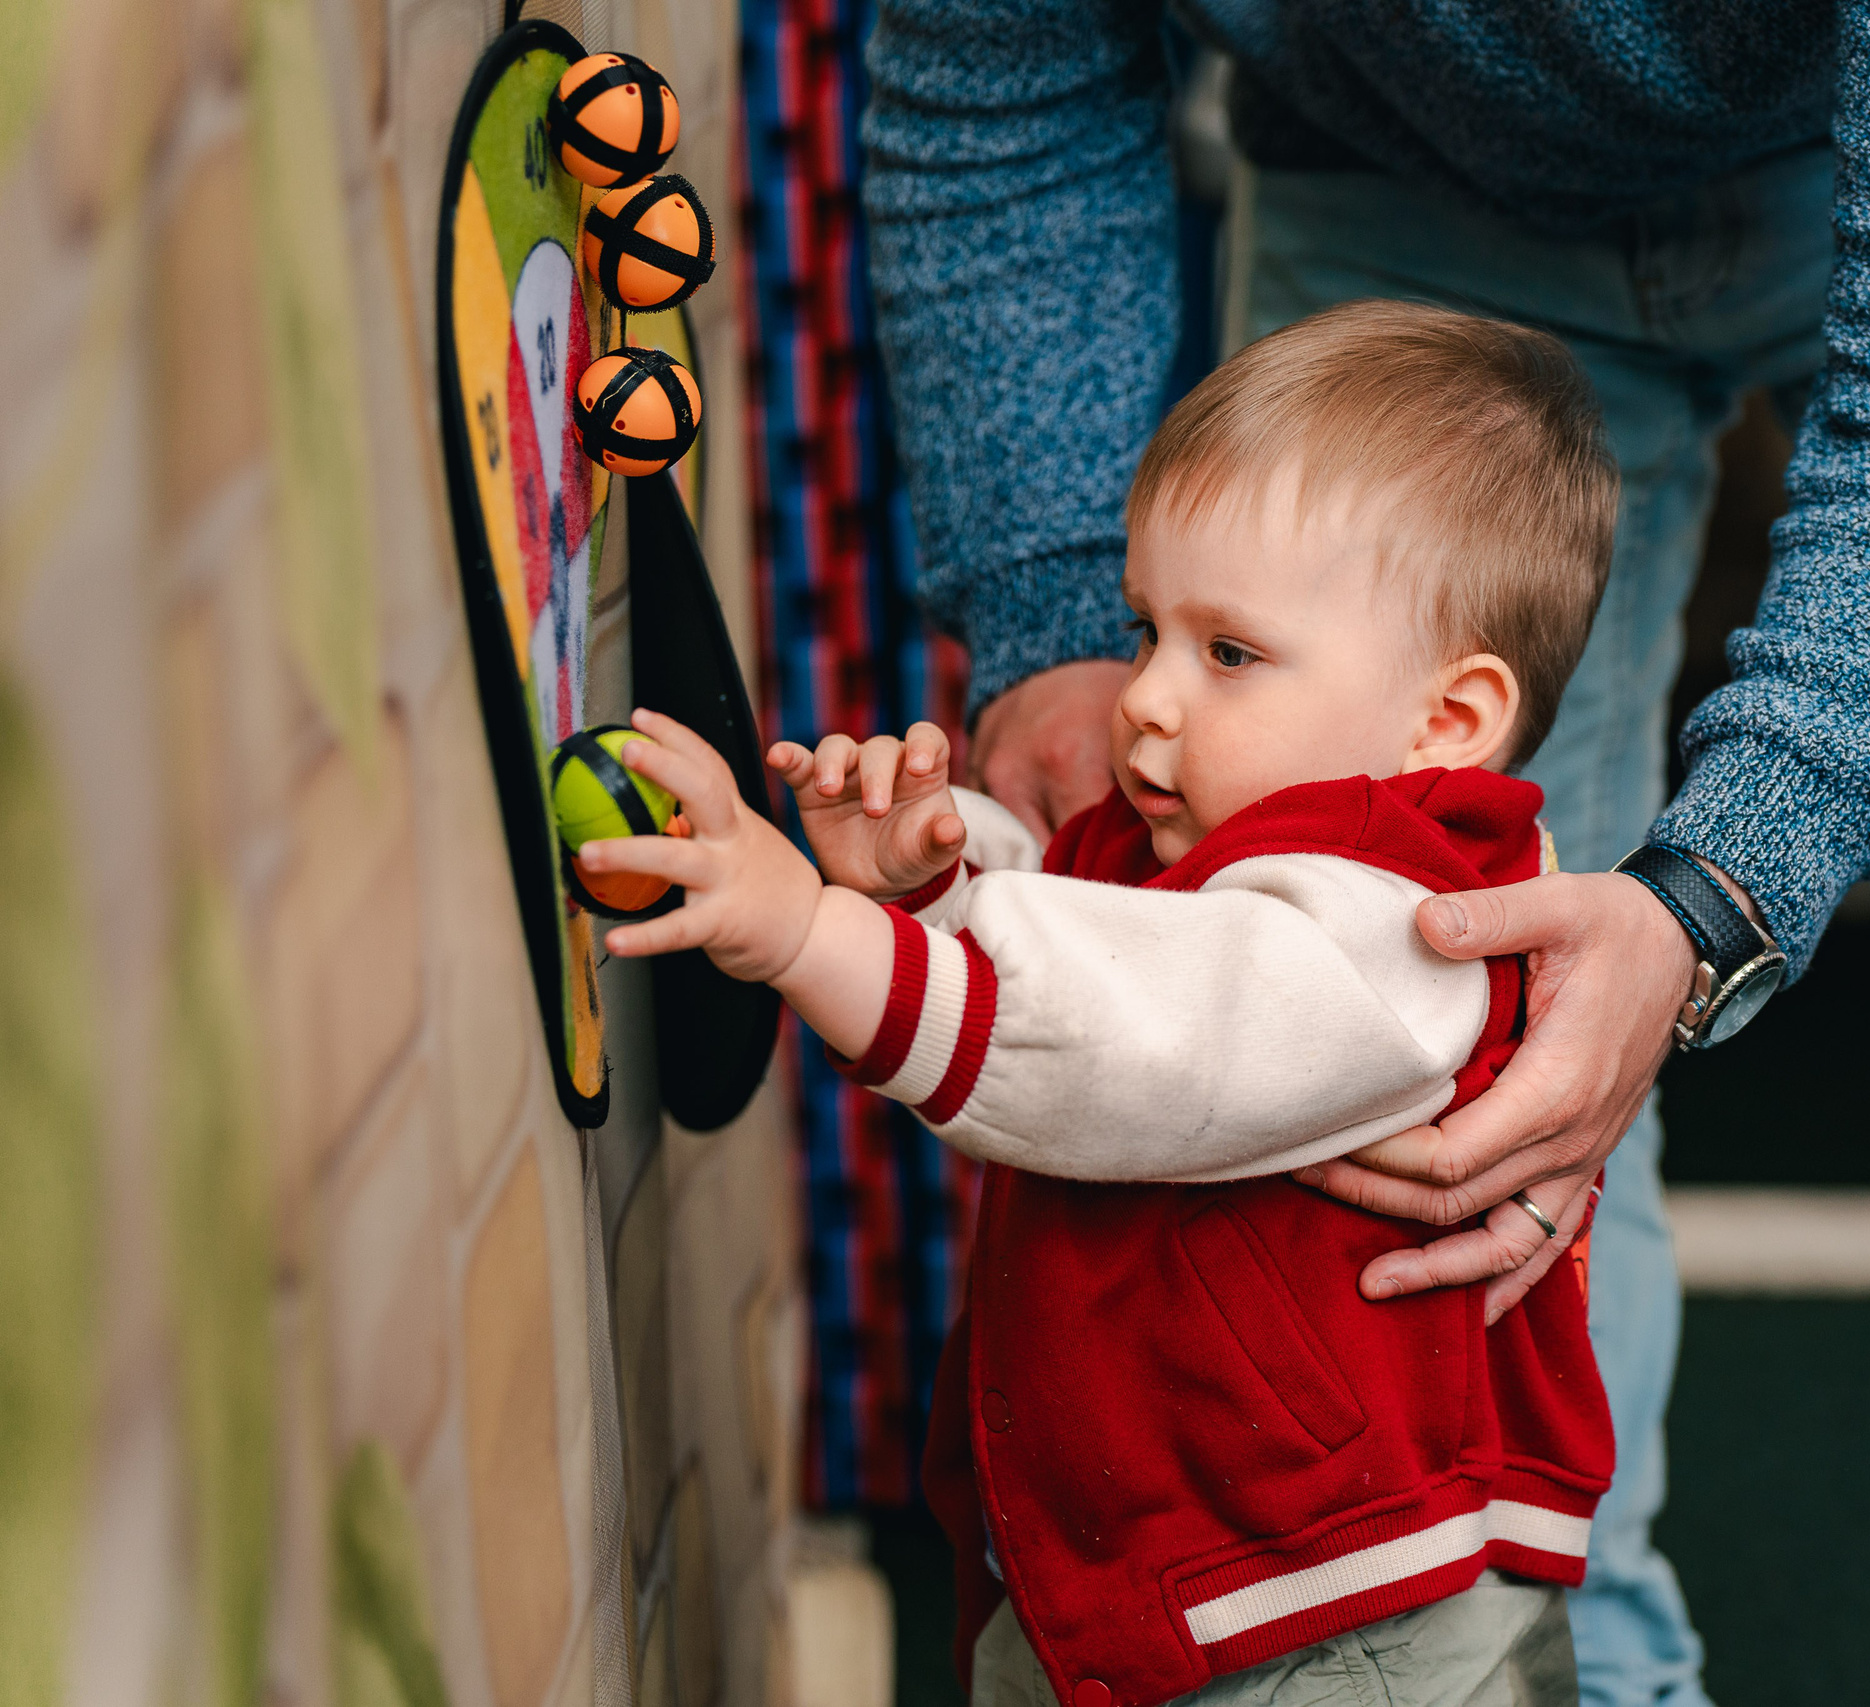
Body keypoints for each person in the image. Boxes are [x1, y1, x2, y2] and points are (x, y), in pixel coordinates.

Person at [861, 6, 1870, 1707]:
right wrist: (1064, 607)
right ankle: (1582, 1674)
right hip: (1402, 176)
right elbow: (998, 85)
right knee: (1455, 1073)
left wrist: (1718, 892)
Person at [587, 303, 1632, 1706]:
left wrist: (807, 931)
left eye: (1231, 655)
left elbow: (1139, 1034)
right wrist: (926, 884)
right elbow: (1087, 931)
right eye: (1147, 629)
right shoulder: (1193, 846)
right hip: (1183, 1573)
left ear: (1446, 722)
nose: (1143, 700)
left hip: (1349, 1618)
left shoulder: (1401, 925)